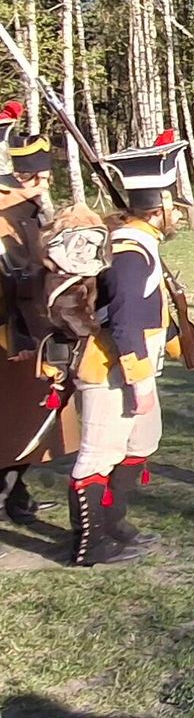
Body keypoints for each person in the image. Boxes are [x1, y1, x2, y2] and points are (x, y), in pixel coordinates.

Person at [69, 134, 194, 566]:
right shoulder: (131, 250)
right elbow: (126, 321)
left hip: (133, 367)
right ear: (158, 207)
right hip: (112, 368)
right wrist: (139, 381)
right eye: (172, 208)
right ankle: (89, 544)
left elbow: (150, 312)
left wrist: (175, 344)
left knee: (141, 442)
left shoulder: (140, 242)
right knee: (98, 452)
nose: (177, 217)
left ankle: (113, 521)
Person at [0, 122, 66, 533]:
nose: (43, 183)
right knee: (10, 416)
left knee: (28, 418)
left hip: (32, 324)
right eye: (35, 176)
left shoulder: (31, 211)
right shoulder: (4, 216)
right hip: (9, 330)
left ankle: (15, 491)